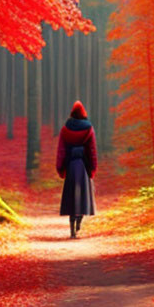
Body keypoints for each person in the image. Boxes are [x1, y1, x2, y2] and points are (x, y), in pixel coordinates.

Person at [56, 100, 97, 238]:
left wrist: (60, 168)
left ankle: (72, 230)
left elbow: (61, 150)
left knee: (71, 199)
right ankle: (79, 222)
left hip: (71, 167)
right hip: (84, 167)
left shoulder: (65, 129)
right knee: (84, 198)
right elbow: (92, 151)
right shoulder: (89, 129)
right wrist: (93, 168)